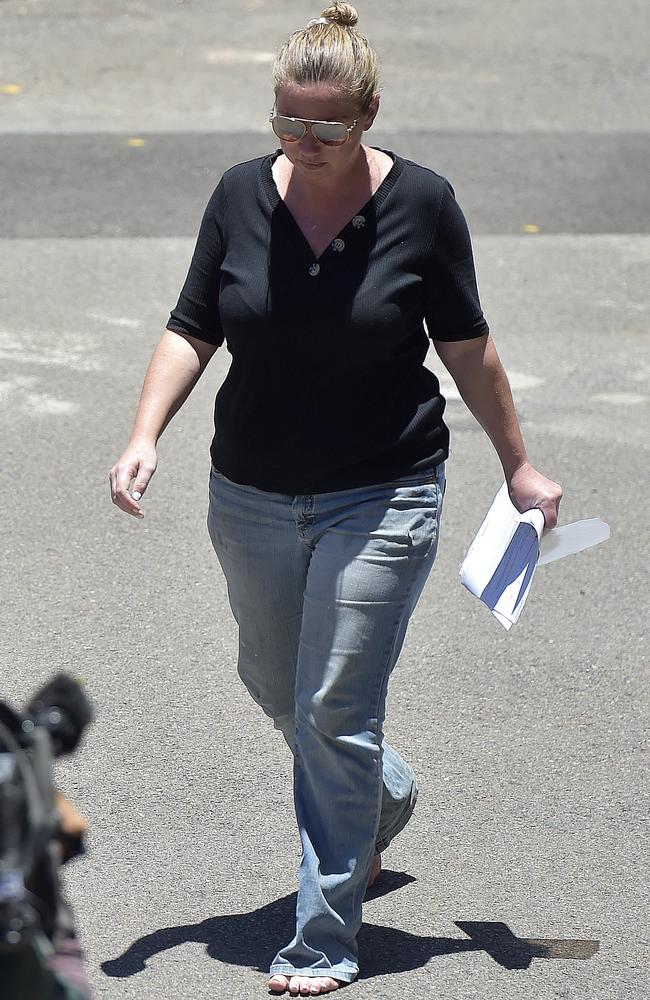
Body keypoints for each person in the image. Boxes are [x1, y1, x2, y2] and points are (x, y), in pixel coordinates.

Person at [109, 2, 562, 993]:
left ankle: (322, 936)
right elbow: (192, 324)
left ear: (367, 116)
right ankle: (378, 794)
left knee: (331, 705)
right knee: (277, 684)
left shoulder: (422, 204)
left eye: (326, 127)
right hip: (253, 493)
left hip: (383, 492)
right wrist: (146, 435)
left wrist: (516, 465)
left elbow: (466, 345)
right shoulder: (238, 194)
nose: (303, 143)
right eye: (286, 122)